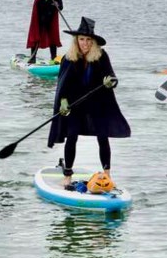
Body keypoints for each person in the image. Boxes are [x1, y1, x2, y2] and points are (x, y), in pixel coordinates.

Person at [47, 17, 130, 188]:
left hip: (97, 103)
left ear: (93, 42)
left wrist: (110, 81)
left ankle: (107, 175)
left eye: (88, 40)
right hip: (75, 105)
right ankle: (68, 175)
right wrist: (63, 102)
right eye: (81, 39)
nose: (84, 43)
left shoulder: (101, 55)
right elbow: (62, 84)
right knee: (72, 136)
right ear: (76, 40)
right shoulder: (68, 58)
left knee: (102, 136)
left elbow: (112, 77)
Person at [26, 0, 63, 64]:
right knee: (37, 38)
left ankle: (54, 57)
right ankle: (33, 57)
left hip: (50, 20)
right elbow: (37, 4)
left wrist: (57, 5)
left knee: (53, 39)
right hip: (40, 20)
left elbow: (61, 7)